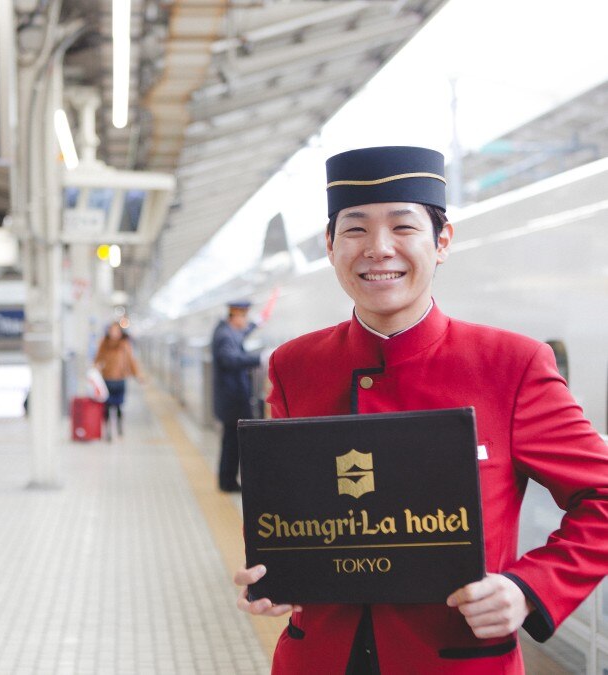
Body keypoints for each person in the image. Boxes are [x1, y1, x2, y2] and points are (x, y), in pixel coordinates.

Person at [234, 145, 608, 673]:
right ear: (330, 245)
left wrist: (528, 589)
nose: (378, 248)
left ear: (442, 242)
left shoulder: (511, 365)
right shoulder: (295, 365)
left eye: (403, 228)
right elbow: (287, 504)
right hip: (317, 657)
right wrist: (273, 576)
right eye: (356, 229)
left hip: (456, 660)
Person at [211, 301, 261, 492]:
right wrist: (260, 358)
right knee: (231, 442)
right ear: (236, 316)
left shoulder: (227, 330)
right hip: (231, 398)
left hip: (230, 398)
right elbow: (230, 359)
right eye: (245, 317)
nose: (246, 322)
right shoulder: (224, 335)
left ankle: (228, 479)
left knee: (230, 440)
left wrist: (256, 324)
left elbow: (242, 335)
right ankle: (227, 482)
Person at [93, 322, 143, 441]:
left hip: (120, 379)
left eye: (116, 331)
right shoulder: (104, 343)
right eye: (111, 330)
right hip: (107, 379)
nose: (114, 333)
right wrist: (94, 371)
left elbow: (131, 361)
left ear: (120, 333)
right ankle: (108, 431)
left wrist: (138, 375)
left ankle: (119, 428)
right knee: (107, 406)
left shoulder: (125, 344)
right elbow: (97, 359)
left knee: (119, 406)